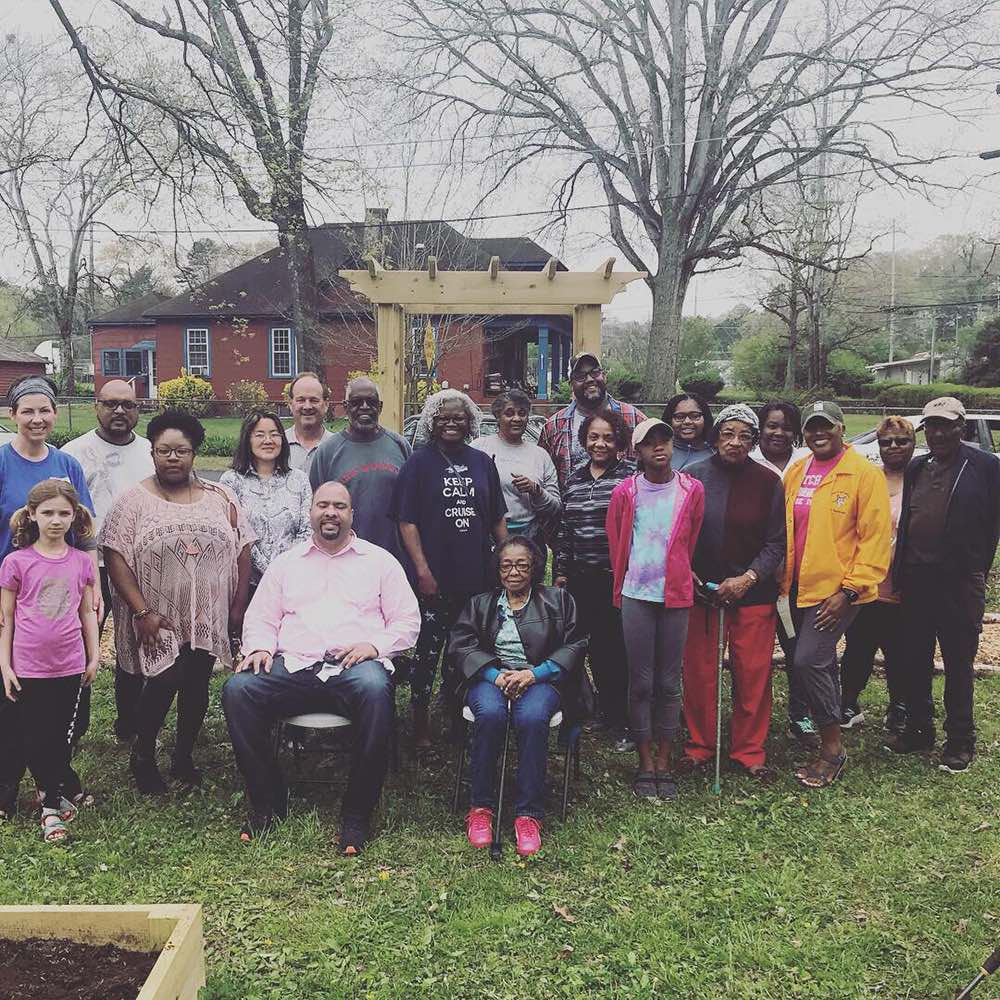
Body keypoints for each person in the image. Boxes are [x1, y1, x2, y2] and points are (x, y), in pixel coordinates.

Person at [222, 481, 420, 854]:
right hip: (293, 666)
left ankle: (356, 815)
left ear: (351, 515)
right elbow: (261, 616)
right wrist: (261, 647)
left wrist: (375, 646)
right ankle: (268, 803)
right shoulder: (287, 564)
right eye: (323, 505)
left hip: (355, 667)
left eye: (340, 506)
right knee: (238, 690)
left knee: (376, 690)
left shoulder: (380, 562)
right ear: (310, 513)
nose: (331, 512)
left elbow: (407, 621)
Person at [101, 410, 255, 794]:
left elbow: (242, 549)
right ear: (152, 453)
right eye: (164, 450)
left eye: (181, 451)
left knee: (197, 681)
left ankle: (183, 755)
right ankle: (144, 755)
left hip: (206, 612)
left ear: (194, 453)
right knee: (163, 677)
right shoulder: (132, 501)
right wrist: (141, 611)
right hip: (154, 614)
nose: (173, 458)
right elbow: (116, 556)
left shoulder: (221, 496)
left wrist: (236, 608)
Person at [449, 537, 589, 857]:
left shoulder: (559, 601)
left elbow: (576, 644)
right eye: (506, 565)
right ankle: (481, 808)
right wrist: (494, 675)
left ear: (535, 567)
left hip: (541, 679)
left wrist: (533, 674)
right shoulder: (481, 604)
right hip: (492, 676)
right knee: (490, 715)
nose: (514, 572)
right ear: (497, 569)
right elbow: (461, 645)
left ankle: (529, 813)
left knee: (532, 717)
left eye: (522, 565)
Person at [0, 375, 98, 822]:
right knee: (14, 697)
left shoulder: (67, 464)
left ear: (55, 414)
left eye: (45, 411)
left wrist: (91, 587)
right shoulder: (2, 461)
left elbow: (83, 528)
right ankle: (8, 787)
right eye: (27, 411)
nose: (37, 419)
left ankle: (54, 781)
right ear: (12, 415)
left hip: (63, 589)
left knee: (65, 702)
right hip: (13, 590)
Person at [887, 397, 1000, 773]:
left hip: (959, 583)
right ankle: (920, 730)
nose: (937, 433)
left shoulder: (985, 467)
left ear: (961, 428)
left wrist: (975, 571)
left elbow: (992, 527)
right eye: (931, 426)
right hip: (917, 581)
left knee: (957, 664)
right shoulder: (918, 466)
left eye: (945, 425)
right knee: (914, 660)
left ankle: (960, 740)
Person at [781, 401, 891, 788]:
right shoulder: (797, 471)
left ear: (842, 429)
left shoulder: (863, 474)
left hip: (837, 592)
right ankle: (828, 724)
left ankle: (832, 748)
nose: (817, 434)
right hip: (797, 587)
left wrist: (848, 590)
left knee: (808, 660)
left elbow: (876, 540)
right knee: (818, 661)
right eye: (811, 428)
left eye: (826, 426)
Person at [391, 389, 508, 747]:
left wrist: (506, 559)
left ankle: (459, 717)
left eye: (459, 417)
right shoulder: (418, 463)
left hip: (477, 577)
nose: (452, 423)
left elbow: (497, 519)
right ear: (432, 422)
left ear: (470, 421)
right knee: (429, 651)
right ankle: (420, 722)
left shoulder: (482, 462)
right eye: (444, 417)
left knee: (469, 650)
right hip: (435, 577)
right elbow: (406, 522)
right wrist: (422, 571)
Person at [677, 404, 785, 780]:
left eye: (744, 436)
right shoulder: (692, 477)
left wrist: (748, 579)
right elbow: (679, 535)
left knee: (752, 672)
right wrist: (687, 574)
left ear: (754, 441)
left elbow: (776, 543)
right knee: (699, 673)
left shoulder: (769, 481)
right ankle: (699, 745)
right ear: (716, 435)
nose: (735, 442)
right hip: (702, 593)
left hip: (752, 593)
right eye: (728, 434)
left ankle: (748, 750)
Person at [606, 418, 705, 801]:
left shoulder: (690, 490)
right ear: (638, 451)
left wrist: (679, 572)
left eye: (664, 440)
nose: (659, 448)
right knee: (642, 680)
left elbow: (690, 537)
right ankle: (645, 760)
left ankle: (665, 759)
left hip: (676, 594)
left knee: (668, 681)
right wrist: (622, 584)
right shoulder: (626, 492)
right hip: (636, 592)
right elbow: (617, 540)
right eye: (650, 443)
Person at [62, 379, 154, 742]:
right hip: (90, 565)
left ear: (138, 410)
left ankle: (130, 727)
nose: (119, 411)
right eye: (110, 404)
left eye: (128, 405)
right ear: (96, 406)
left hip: (138, 566)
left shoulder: (150, 451)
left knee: (134, 649)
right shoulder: (74, 453)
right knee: (81, 647)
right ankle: (73, 727)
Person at [552, 409, 634, 751]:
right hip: (579, 578)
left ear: (619, 442)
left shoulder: (630, 477)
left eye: (608, 438)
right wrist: (560, 571)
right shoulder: (574, 478)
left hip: (616, 578)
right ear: (584, 440)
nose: (600, 444)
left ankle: (624, 721)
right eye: (594, 437)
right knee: (583, 648)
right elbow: (566, 531)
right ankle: (598, 708)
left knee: (615, 650)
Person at [839, 416, 915, 734]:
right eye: (886, 442)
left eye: (901, 441)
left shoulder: (921, 479)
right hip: (867, 583)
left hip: (906, 583)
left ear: (913, 444)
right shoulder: (870, 479)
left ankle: (899, 706)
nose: (893, 447)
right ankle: (848, 703)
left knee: (900, 650)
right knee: (858, 646)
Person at [749, 400, 818, 751]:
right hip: (758, 575)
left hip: (800, 575)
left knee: (798, 649)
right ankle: (749, 719)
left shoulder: (808, 464)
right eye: (771, 425)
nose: (778, 432)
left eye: (786, 426)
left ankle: (800, 712)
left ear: (797, 431)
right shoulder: (748, 462)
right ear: (760, 428)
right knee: (756, 654)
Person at [309, 377, 411, 562]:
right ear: (346, 406)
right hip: (344, 558)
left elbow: (413, 506)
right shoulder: (327, 452)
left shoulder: (400, 445)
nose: (364, 407)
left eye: (371, 402)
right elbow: (315, 512)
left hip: (396, 559)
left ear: (379, 407)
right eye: (356, 402)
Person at [221, 409, 312, 593]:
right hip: (246, 585)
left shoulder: (299, 479)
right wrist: (270, 571)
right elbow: (237, 534)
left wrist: (284, 569)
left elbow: (308, 529)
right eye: (260, 435)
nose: (268, 441)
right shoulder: (231, 481)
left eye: (274, 434)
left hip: (292, 582)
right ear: (248, 439)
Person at [472, 388, 560, 559]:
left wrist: (536, 491)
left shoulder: (540, 455)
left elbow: (555, 508)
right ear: (497, 416)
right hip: (487, 538)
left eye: (522, 413)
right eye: (509, 413)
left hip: (530, 539)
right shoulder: (479, 448)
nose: (517, 419)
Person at [538, 352, 646, 489]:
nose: (589, 379)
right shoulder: (553, 427)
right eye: (580, 376)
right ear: (571, 384)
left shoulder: (635, 419)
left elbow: (651, 467)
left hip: (624, 507)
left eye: (595, 372)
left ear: (604, 376)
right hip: (572, 507)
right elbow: (543, 477)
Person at [285, 372, 333, 473]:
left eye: (314, 400)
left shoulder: (337, 446)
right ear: (290, 404)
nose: (307, 407)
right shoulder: (278, 444)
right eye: (301, 400)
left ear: (326, 404)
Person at [662, 392, 714, 471]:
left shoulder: (717, 452)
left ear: (705, 418)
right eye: (679, 417)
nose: (687, 421)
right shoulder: (659, 451)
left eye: (695, 416)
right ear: (669, 420)